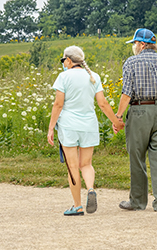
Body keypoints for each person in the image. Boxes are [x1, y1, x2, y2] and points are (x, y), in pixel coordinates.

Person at [113, 28, 157, 212]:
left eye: (135, 44)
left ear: (142, 44)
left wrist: (118, 117)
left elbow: (127, 93)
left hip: (139, 111)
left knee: (137, 157)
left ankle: (137, 202)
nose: (134, 47)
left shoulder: (131, 62)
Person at [47, 45, 125, 216]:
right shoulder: (93, 76)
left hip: (69, 126)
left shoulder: (63, 77)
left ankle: (78, 206)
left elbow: (58, 104)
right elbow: (102, 104)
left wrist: (51, 127)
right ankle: (90, 189)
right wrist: (116, 122)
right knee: (86, 164)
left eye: (63, 60)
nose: (63, 63)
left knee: (72, 166)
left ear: (68, 60)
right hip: (89, 125)